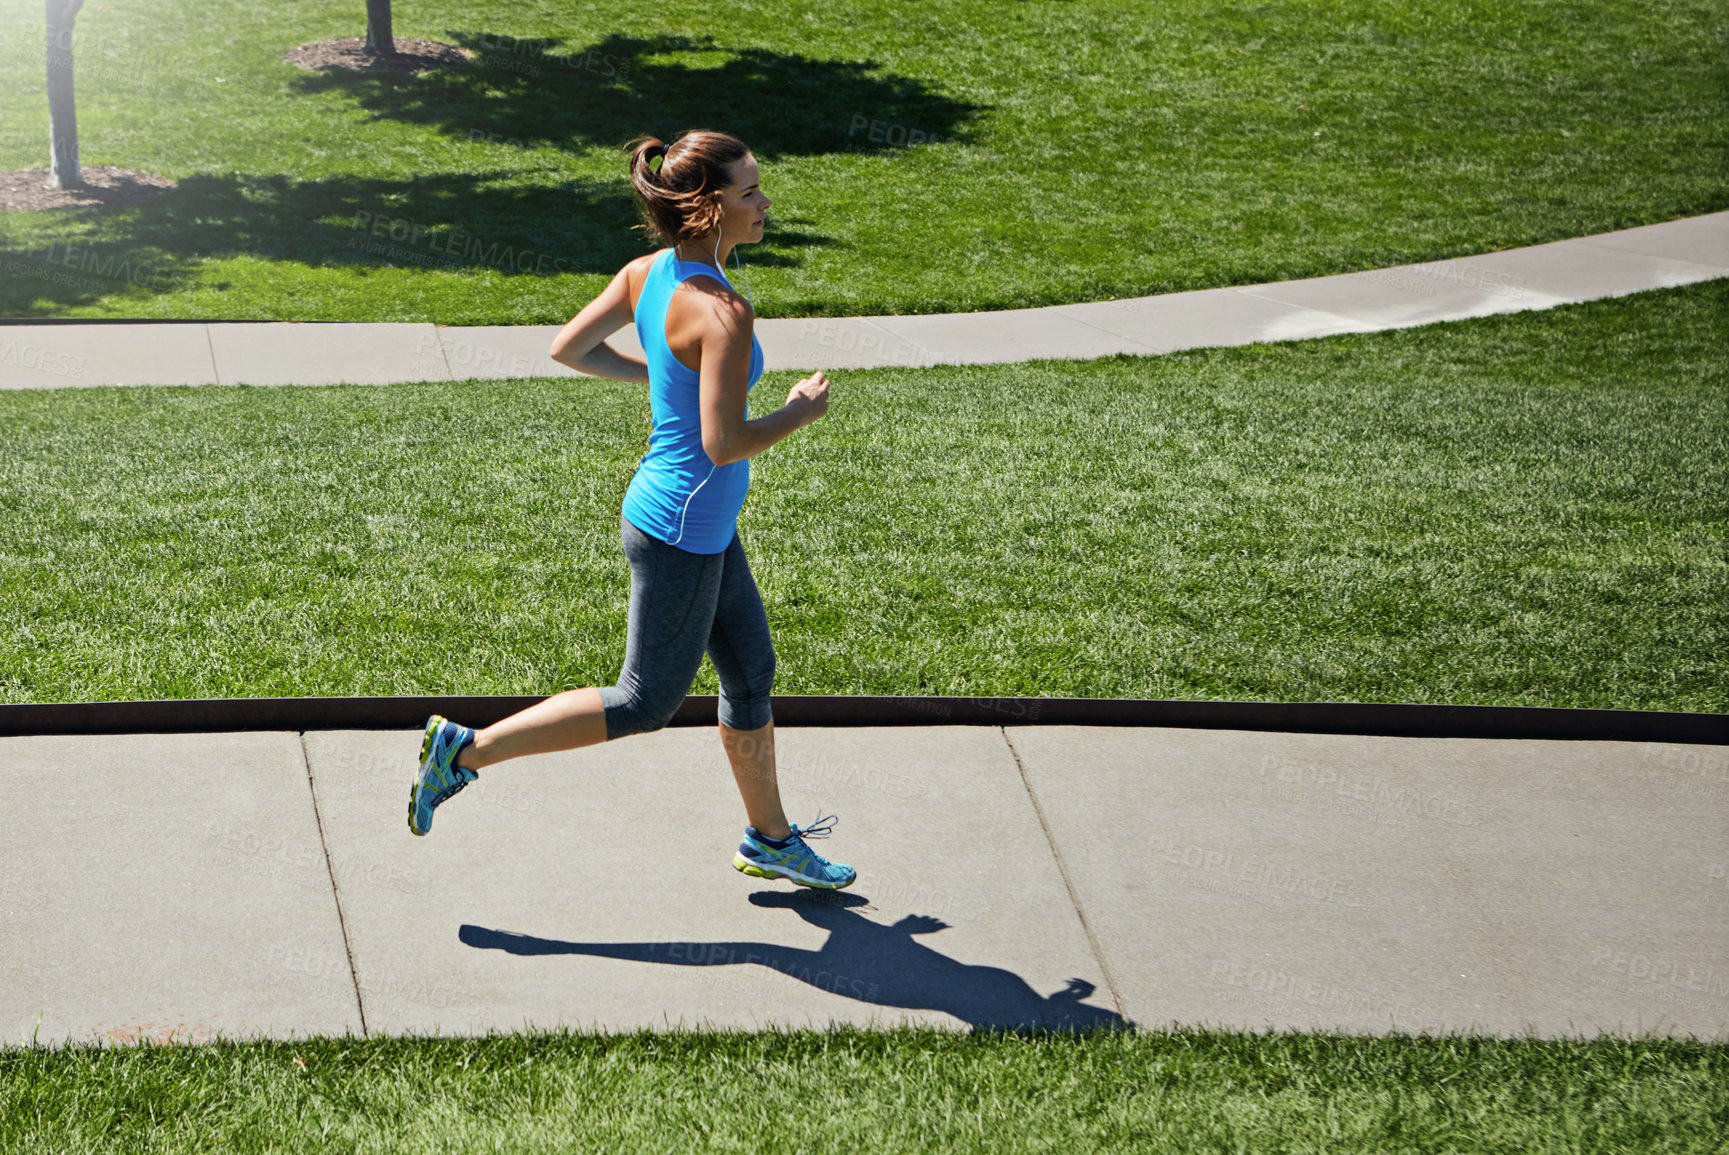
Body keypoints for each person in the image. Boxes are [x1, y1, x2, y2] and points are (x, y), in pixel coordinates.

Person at [405, 129, 855, 890]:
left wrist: (663, 382)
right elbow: (723, 443)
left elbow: (572, 348)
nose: (764, 202)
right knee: (644, 700)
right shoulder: (721, 311)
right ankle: (464, 749)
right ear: (708, 208)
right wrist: (796, 412)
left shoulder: (648, 273)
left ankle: (771, 838)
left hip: (689, 519)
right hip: (682, 524)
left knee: (749, 674)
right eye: (749, 192)